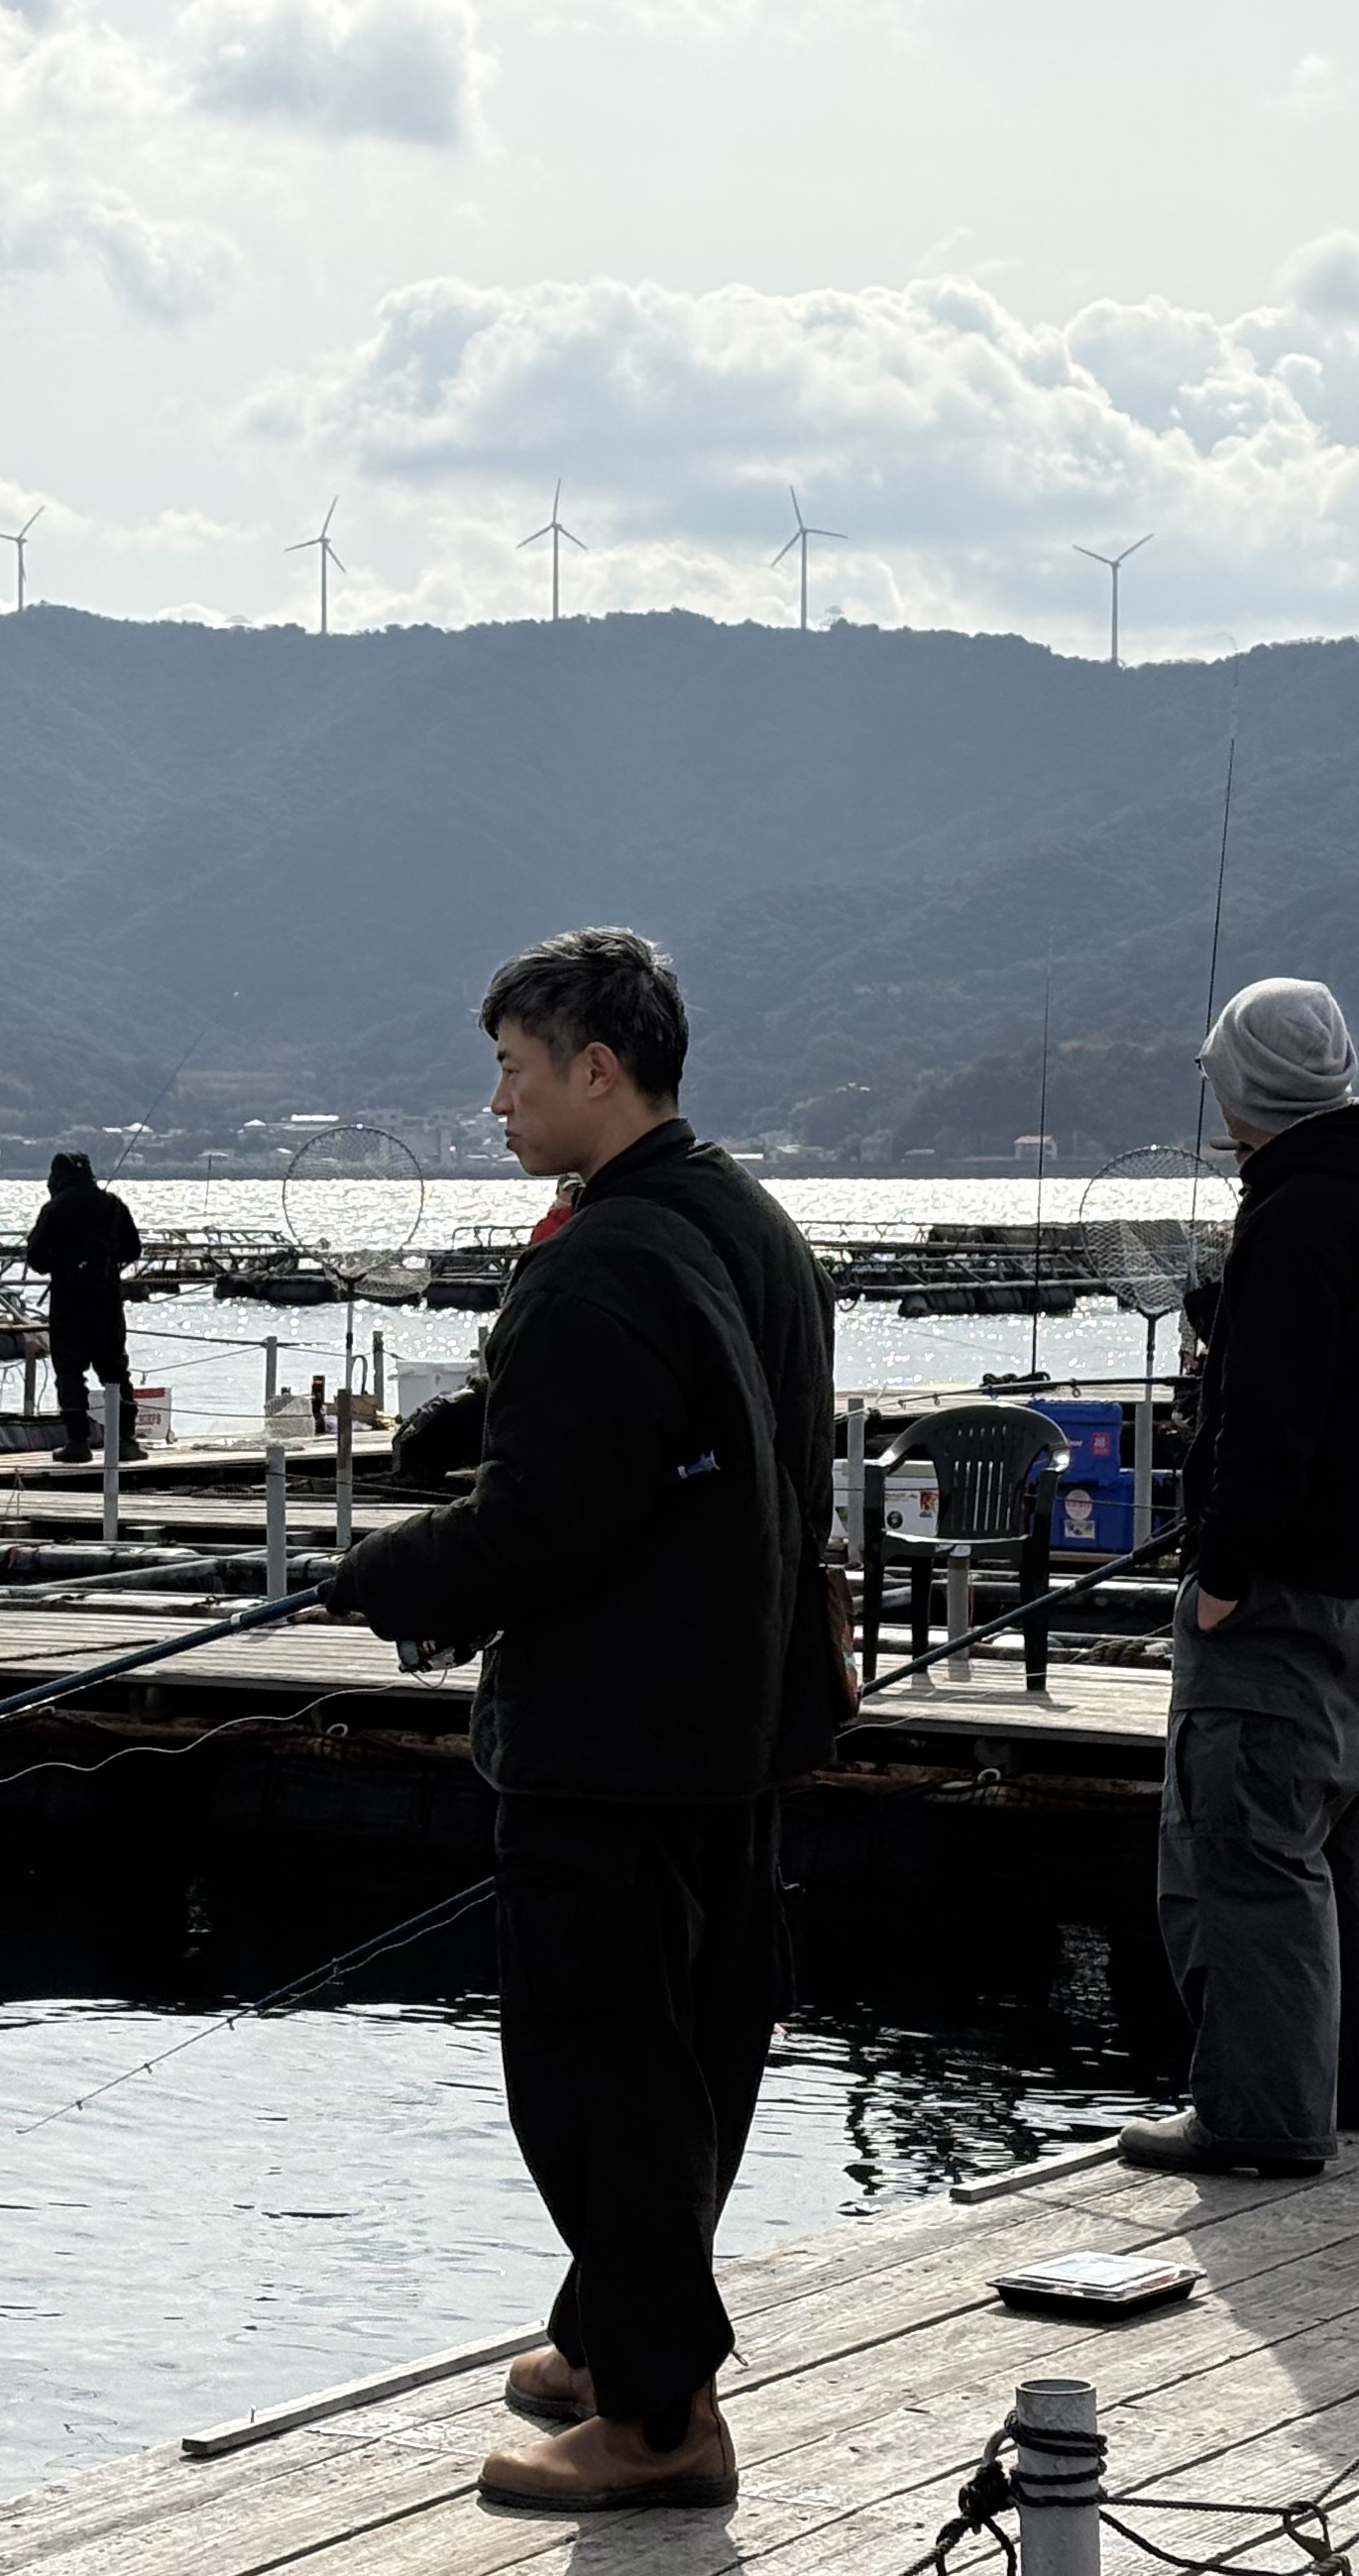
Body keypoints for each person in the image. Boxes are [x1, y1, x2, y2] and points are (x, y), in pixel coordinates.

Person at [320, 926, 813, 2516]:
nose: (497, 1102)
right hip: (735, 1720)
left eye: (514, 1070)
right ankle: (613, 2332)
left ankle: (660, 2421)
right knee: (691, 2048)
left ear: (596, 1067)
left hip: (612, 1735)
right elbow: (710, 1445)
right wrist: (472, 1425)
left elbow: (542, 1523)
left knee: (598, 2072)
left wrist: (381, 1572)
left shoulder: (601, 1256)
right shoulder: (745, 1220)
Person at [1122, 976, 1359, 2183]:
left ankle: (1259, 2112)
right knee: (1352, 1835)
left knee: (1246, 1846)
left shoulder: (1295, 1211)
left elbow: (1269, 1422)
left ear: (1244, 1083)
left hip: (1279, 1589)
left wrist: (1221, 1568)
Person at [26, 1152, 143, 1464]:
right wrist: (108, 1263)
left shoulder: (55, 1209)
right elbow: (134, 1248)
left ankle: (78, 1442)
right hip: (107, 1300)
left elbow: (35, 1257)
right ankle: (126, 1440)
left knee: (69, 1371)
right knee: (115, 1370)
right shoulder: (113, 1205)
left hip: (68, 1303)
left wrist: (62, 1265)